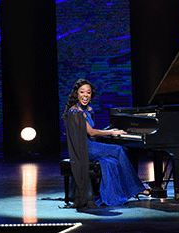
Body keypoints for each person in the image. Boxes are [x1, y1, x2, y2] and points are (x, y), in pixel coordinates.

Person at [62, 79, 151, 210]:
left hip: (89, 145)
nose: (85, 95)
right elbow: (91, 133)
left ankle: (122, 190)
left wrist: (109, 131)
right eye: (82, 92)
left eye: (88, 92)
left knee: (113, 158)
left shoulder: (86, 110)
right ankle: (136, 188)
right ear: (76, 94)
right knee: (119, 150)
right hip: (84, 149)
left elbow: (92, 132)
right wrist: (111, 132)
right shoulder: (75, 112)